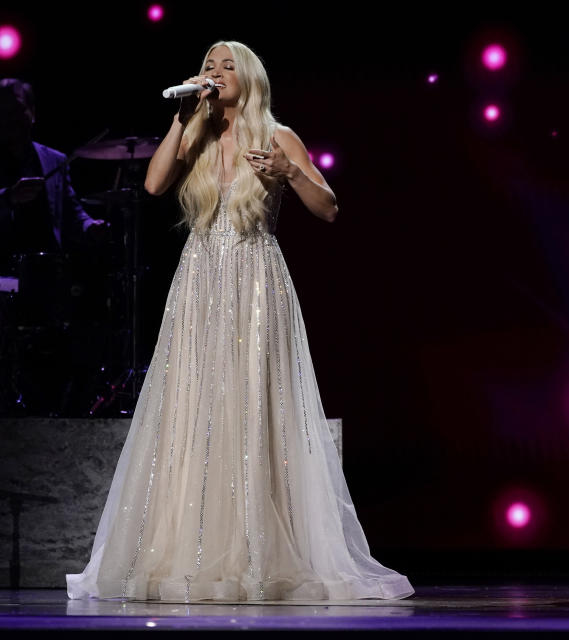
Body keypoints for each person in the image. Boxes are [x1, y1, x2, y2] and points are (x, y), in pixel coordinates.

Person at [66, 41, 413, 602]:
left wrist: (289, 173)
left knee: (252, 408)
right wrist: (181, 120)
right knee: (191, 407)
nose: (215, 73)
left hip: (255, 281)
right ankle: (191, 550)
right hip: (199, 281)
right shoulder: (196, 134)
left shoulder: (278, 137)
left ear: (249, 78)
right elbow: (154, 185)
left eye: (227, 66)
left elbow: (329, 208)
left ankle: (258, 553)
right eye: (208, 65)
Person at [0, 79, 106, 260]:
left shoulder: (55, 160)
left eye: (18, 109)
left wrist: (89, 225)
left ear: (32, 112)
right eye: (3, 111)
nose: (11, 117)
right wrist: (9, 197)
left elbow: (71, 213)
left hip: (47, 268)